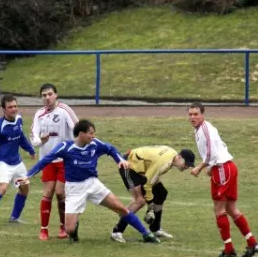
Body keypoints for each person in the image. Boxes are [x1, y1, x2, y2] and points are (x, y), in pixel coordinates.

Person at [18, 119, 161, 244]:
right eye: (91, 133)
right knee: (69, 229)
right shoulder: (65, 147)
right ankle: (74, 228)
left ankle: (146, 234)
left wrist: (120, 160)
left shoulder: (95, 144)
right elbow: (45, 161)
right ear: (81, 134)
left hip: (93, 184)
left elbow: (110, 149)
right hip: (74, 188)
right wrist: (28, 175)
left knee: (121, 208)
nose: (94, 136)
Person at [188, 102, 258, 257]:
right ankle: (252, 242)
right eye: (190, 114)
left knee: (219, 209)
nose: (193, 117)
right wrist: (211, 167)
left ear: (202, 115)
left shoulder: (205, 129)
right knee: (231, 209)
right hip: (225, 167)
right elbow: (219, 147)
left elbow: (210, 153)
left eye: (196, 114)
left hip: (222, 169)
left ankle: (229, 249)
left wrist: (199, 168)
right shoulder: (203, 129)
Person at [110, 146, 196, 243]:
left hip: (141, 168)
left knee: (161, 193)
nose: (187, 167)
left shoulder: (172, 155)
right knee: (140, 201)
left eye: (189, 165)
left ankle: (155, 228)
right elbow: (147, 184)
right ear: (179, 157)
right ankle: (117, 231)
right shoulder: (164, 163)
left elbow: (151, 172)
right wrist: (150, 206)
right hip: (130, 166)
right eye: (186, 163)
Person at [0, 94, 36, 230]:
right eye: (10, 107)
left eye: (15, 106)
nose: (14, 109)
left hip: (17, 161)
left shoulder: (19, 120)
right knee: (2, 188)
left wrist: (30, 150)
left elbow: (20, 137)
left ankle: (14, 217)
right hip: (2, 162)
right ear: (4, 110)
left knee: (25, 188)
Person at [30, 83, 78, 241]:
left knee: (60, 192)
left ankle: (64, 226)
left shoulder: (65, 110)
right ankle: (44, 230)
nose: (47, 98)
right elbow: (34, 138)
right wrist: (40, 140)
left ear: (56, 95)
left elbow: (78, 129)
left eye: (50, 94)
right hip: (47, 159)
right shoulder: (39, 114)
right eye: (44, 95)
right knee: (48, 191)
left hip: (65, 159)